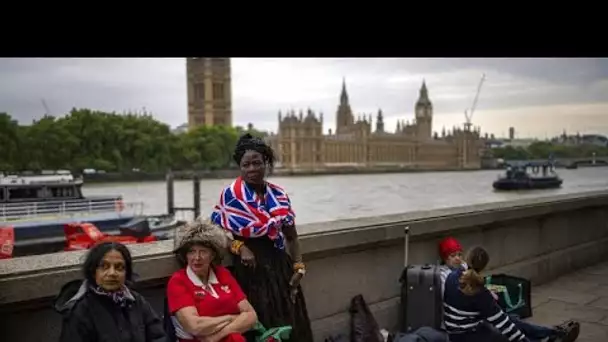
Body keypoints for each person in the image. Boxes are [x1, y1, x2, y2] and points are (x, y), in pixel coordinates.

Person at [210, 133, 314, 342]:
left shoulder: (279, 195)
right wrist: (239, 247)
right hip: (251, 272)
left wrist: (299, 267)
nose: (251, 169)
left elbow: (291, 237)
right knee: (261, 329)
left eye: (256, 163)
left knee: (290, 327)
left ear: (265, 163)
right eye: (245, 165)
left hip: (280, 270)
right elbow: (215, 232)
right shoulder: (231, 195)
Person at [438, 237, 580, 342]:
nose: (457, 258)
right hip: (467, 335)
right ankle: (550, 337)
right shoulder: (479, 292)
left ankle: (551, 334)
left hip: (464, 328)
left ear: (466, 259)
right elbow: (504, 325)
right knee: (507, 332)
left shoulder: (452, 277)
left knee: (512, 321)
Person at [166, 217, 258, 342]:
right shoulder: (178, 281)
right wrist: (232, 318)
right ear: (185, 255)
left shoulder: (223, 274)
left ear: (213, 255)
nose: (197, 258)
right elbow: (195, 326)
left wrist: (216, 336)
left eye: (203, 252)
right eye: (192, 252)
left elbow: (251, 316)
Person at [54, 241, 166, 342]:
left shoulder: (136, 301)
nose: (112, 273)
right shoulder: (81, 309)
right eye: (104, 266)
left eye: (119, 267)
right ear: (93, 271)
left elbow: (158, 336)